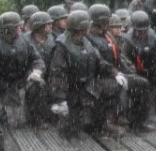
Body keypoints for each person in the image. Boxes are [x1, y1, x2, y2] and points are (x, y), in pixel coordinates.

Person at [47, 9, 126, 138]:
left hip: (88, 86)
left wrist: (115, 73)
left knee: (113, 86)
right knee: (70, 132)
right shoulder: (62, 47)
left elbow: (99, 62)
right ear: (81, 28)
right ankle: (82, 120)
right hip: (71, 91)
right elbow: (58, 74)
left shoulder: (86, 42)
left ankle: (102, 123)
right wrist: (60, 99)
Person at [0, 11, 46, 129]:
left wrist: (36, 71)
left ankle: (36, 120)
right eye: (17, 26)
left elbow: (37, 59)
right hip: (2, 87)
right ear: (8, 29)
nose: (20, 28)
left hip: (21, 82)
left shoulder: (24, 40)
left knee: (37, 85)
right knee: (4, 120)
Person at [87, 4, 150, 131]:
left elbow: (119, 56)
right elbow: (98, 62)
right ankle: (110, 120)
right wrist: (115, 73)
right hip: (98, 78)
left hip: (114, 73)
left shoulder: (107, 35)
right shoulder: (89, 38)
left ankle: (137, 122)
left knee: (142, 83)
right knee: (117, 86)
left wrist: (127, 72)